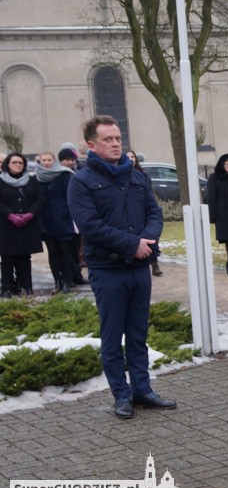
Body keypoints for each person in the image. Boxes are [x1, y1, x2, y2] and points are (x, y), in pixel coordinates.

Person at [67, 115, 173, 419]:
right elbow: (90, 226)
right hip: (108, 270)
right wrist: (132, 244)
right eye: (108, 140)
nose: (115, 144)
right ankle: (121, 395)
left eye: (118, 138)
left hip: (139, 268)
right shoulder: (81, 182)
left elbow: (154, 213)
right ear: (92, 145)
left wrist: (147, 239)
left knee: (138, 334)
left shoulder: (137, 178)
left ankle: (142, 389)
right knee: (113, 337)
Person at [0, 152, 44, 296]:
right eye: (14, 162)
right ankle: (6, 287)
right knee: (7, 257)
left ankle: (26, 285)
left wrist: (30, 214)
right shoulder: (1, 181)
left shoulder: (32, 181)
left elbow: (40, 200)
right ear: (8, 164)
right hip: (7, 225)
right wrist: (10, 215)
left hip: (27, 225)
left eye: (20, 163)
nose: (18, 165)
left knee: (25, 258)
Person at [35, 151, 77, 294]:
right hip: (46, 221)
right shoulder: (37, 178)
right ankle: (57, 282)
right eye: (44, 160)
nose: (47, 162)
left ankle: (66, 281)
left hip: (63, 219)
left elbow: (70, 197)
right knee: (52, 252)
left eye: (49, 160)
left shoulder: (64, 175)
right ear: (39, 162)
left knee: (65, 251)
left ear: (54, 161)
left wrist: (66, 212)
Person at [126, 150, 162, 277]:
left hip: (146, 211)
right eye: (128, 157)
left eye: (132, 156)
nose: (131, 159)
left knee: (152, 238)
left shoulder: (143, 176)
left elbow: (150, 197)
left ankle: (154, 262)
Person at [58, 148, 88, 286]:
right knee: (65, 250)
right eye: (67, 160)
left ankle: (77, 275)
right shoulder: (58, 175)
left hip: (76, 217)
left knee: (76, 249)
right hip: (63, 217)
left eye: (72, 160)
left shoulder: (77, 174)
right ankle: (67, 277)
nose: (70, 162)